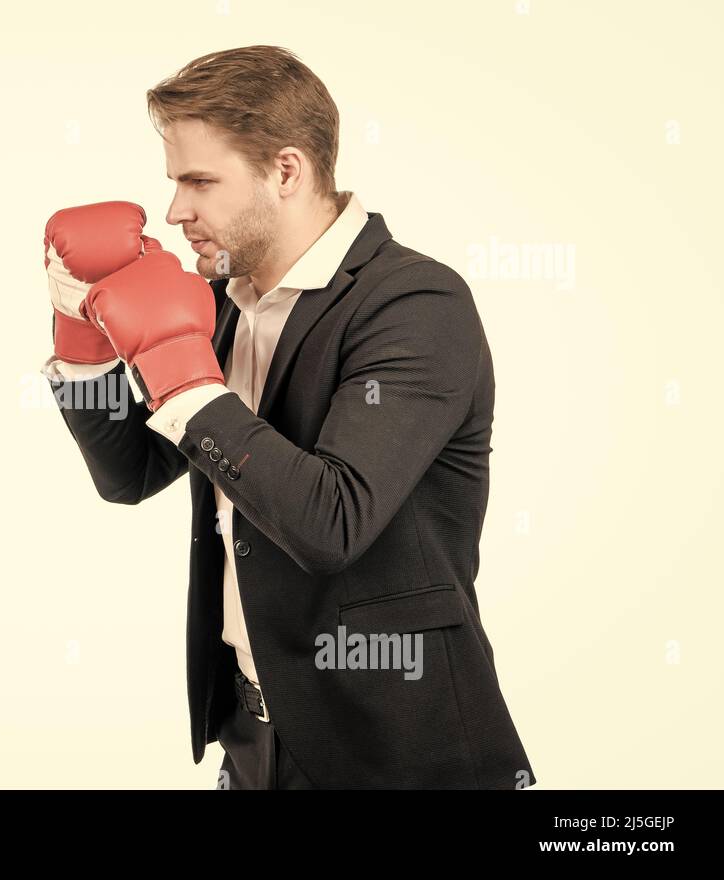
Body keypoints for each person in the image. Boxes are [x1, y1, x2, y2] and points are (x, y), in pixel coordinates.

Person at [40, 45, 535, 789]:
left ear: (286, 171)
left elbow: (330, 522)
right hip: (251, 744)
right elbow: (128, 474)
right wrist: (81, 341)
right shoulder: (220, 305)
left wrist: (181, 378)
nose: (176, 212)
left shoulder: (415, 304)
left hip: (397, 754)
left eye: (199, 181)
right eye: (173, 182)